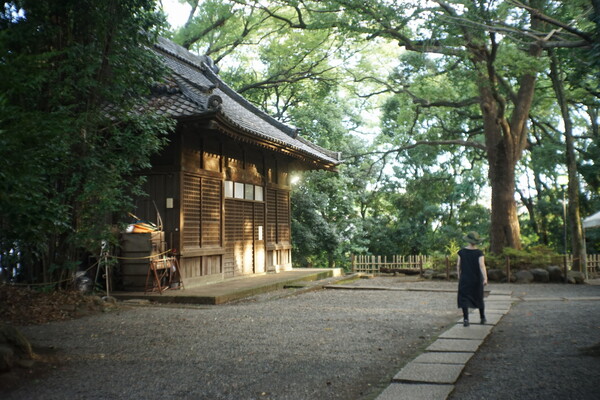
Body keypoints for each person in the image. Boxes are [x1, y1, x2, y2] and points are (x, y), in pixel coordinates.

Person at [457, 231, 488, 327]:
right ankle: (482, 318)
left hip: (465, 278)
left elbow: (458, 265)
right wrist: (485, 278)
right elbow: (482, 265)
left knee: (464, 298)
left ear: (468, 241)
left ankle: (466, 319)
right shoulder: (479, 253)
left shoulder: (461, 252)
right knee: (478, 297)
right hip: (476, 279)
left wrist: (459, 276)